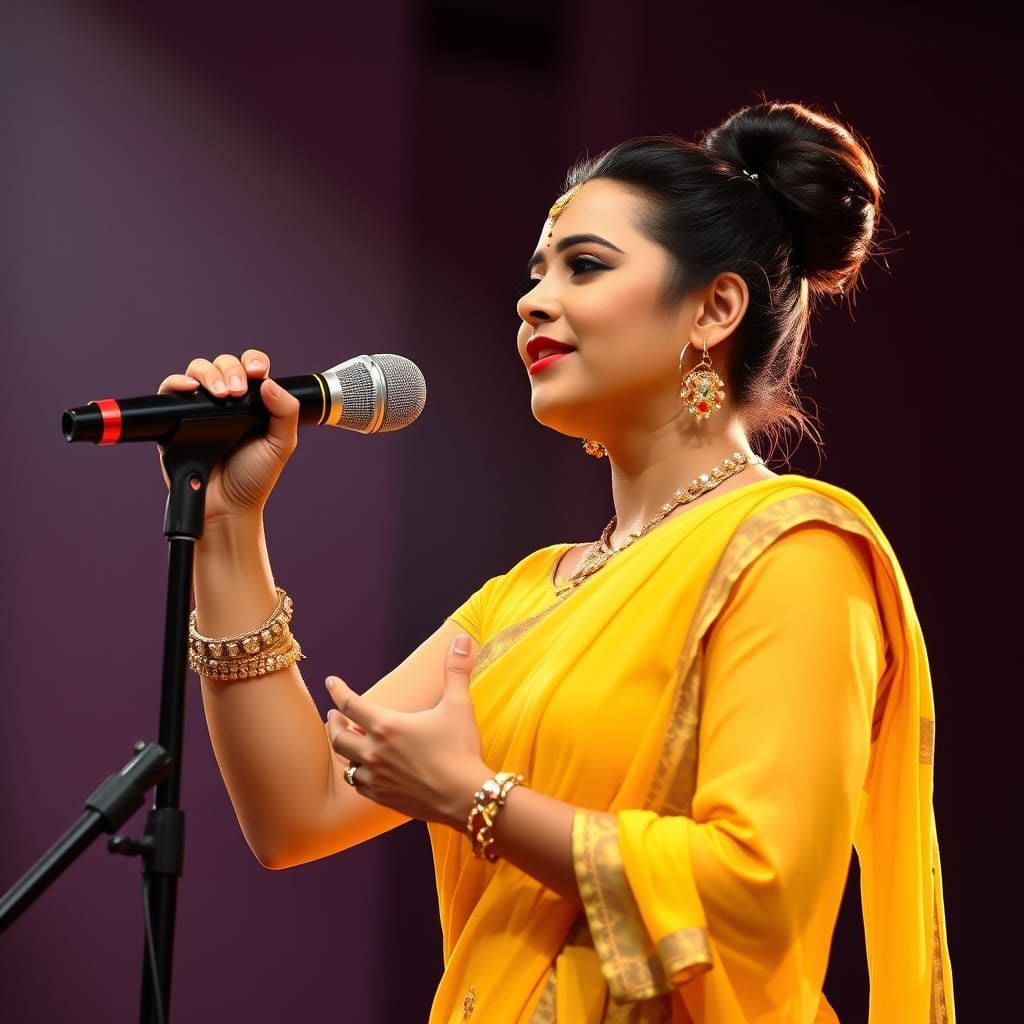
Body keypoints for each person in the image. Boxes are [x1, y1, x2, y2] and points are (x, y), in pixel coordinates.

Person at [159, 100, 954, 1023]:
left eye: (584, 267)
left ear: (715, 308)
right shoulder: (528, 595)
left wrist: (479, 801)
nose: (534, 299)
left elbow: (760, 888)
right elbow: (296, 809)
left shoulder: (795, 554)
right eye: (536, 273)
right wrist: (228, 525)